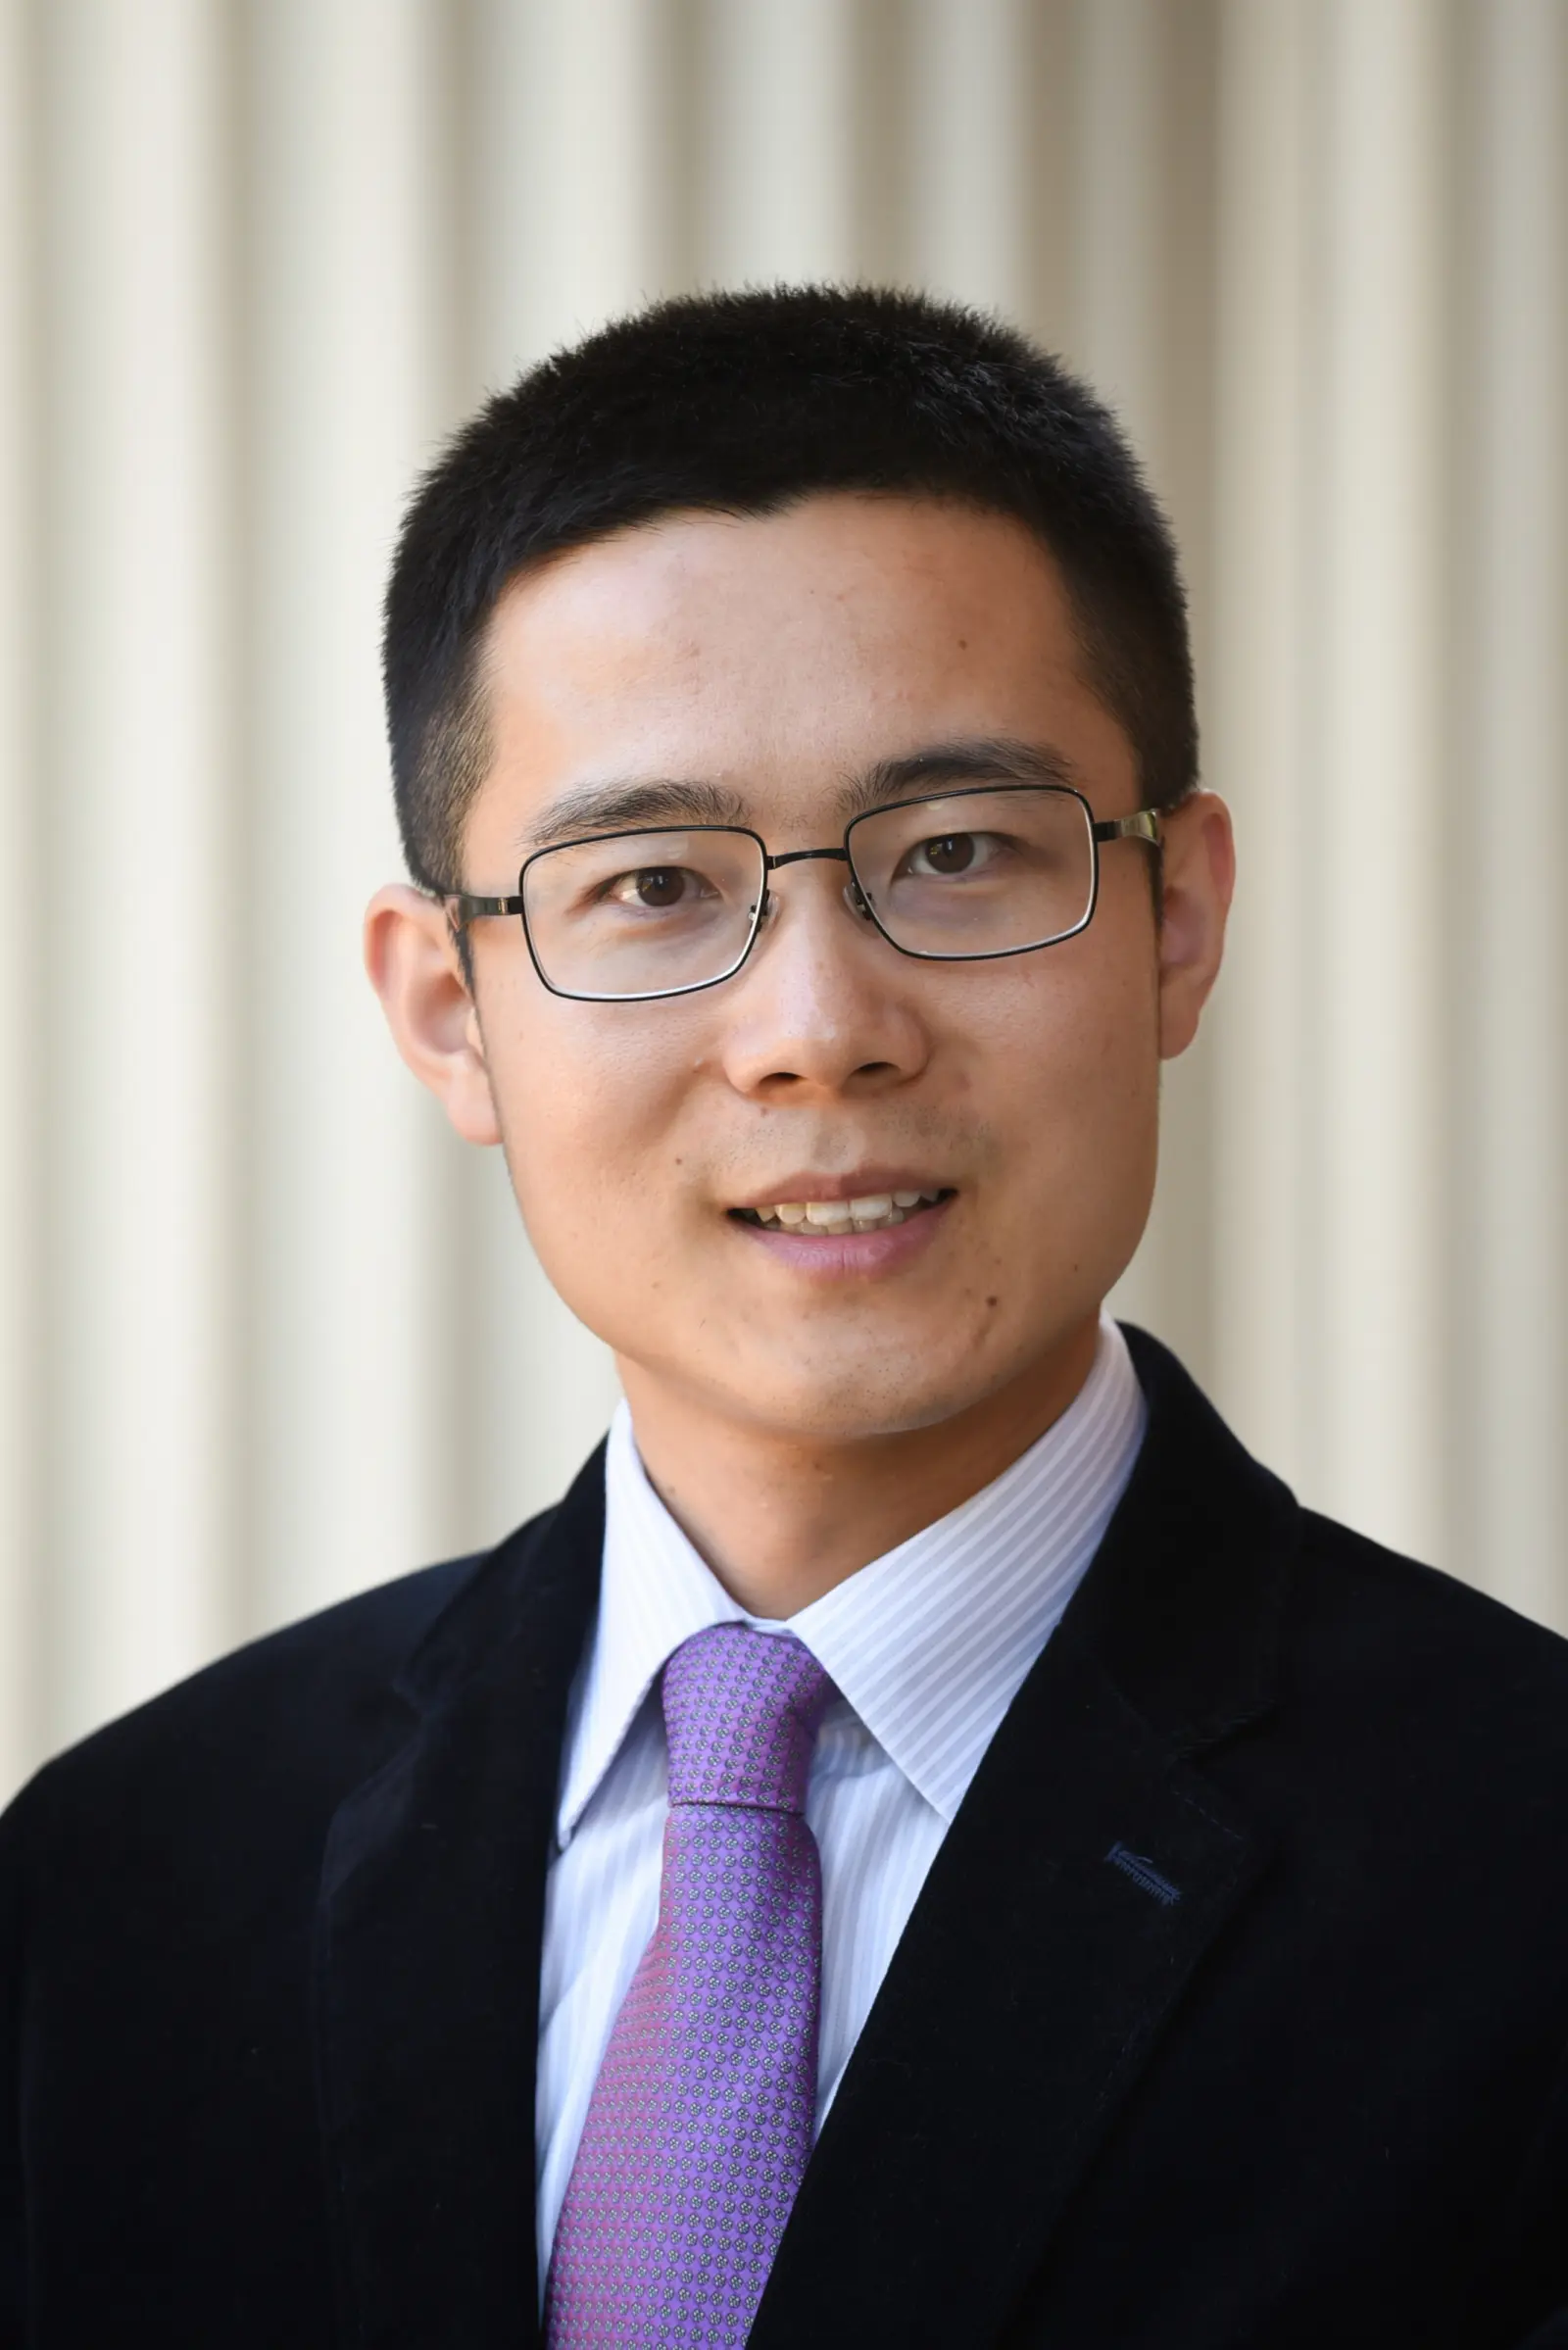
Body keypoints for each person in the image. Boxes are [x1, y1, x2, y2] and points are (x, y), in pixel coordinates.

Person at [3, 285, 1566, 2350]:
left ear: (1174, 921)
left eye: (957, 853)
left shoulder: (1518, 1878)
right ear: (447, 1007)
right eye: (650, 883)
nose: (818, 1031)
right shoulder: (122, 1885)